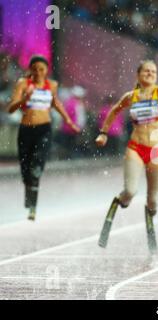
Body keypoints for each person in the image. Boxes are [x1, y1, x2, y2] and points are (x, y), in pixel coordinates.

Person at [95, 60, 158, 252]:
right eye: (146, 71)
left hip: (156, 152)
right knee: (130, 191)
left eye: (153, 71)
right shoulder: (132, 96)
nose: (150, 74)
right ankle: (118, 202)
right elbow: (114, 110)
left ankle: (149, 213)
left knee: (153, 201)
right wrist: (103, 132)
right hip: (135, 148)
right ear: (138, 75)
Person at [7, 55, 80, 220]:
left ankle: (33, 207)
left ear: (47, 70)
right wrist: (25, 98)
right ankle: (28, 192)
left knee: (37, 167)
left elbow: (56, 103)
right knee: (26, 170)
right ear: (30, 70)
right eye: (35, 69)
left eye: (42, 69)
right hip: (26, 130)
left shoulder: (52, 85)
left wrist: (69, 121)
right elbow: (11, 108)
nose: (39, 72)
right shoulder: (23, 84)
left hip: (44, 130)